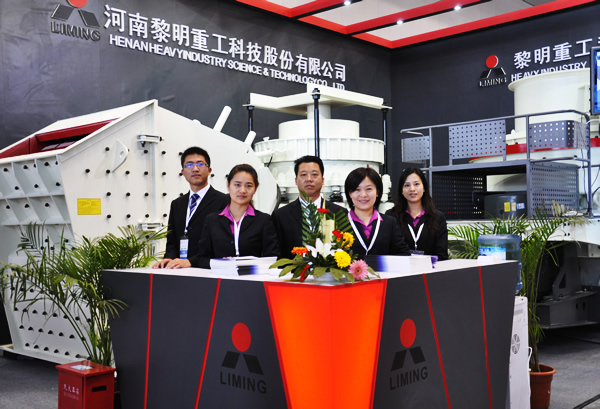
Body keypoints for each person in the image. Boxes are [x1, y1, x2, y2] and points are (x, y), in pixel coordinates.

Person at [152, 146, 228, 269]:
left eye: (200, 164)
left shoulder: (223, 201)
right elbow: (172, 240)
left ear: (209, 170)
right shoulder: (177, 204)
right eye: (189, 165)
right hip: (179, 269)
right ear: (182, 172)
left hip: (206, 269)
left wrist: (191, 261)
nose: (195, 169)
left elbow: (221, 243)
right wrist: (168, 259)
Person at [192, 164, 280, 268]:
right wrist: (220, 263)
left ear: (255, 188)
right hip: (220, 276)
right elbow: (202, 258)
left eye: (249, 186)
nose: (242, 190)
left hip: (252, 276)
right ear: (228, 185)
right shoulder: (212, 220)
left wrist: (246, 265)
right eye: (237, 185)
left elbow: (273, 257)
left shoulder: (263, 220)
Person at [271, 155, 345, 258]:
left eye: (314, 174)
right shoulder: (280, 216)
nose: (309, 179)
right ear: (296, 180)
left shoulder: (339, 213)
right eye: (303, 175)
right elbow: (276, 255)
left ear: (322, 180)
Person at [344, 167, 411, 259]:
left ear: (377, 192)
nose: (363, 195)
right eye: (357, 189)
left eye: (368, 189)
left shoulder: (389, 223)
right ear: (349, 193)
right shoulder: (339, 223)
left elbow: (403, 255)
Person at [386, 167, 448, 261]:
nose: (412, 189)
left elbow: (442, 255)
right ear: (401, 190)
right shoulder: (391, 216)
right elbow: (388, 251)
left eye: (416, 184)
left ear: (424, 188)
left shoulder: (437, 217)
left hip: (430, 269)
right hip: (400, 269)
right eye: (407, 185)